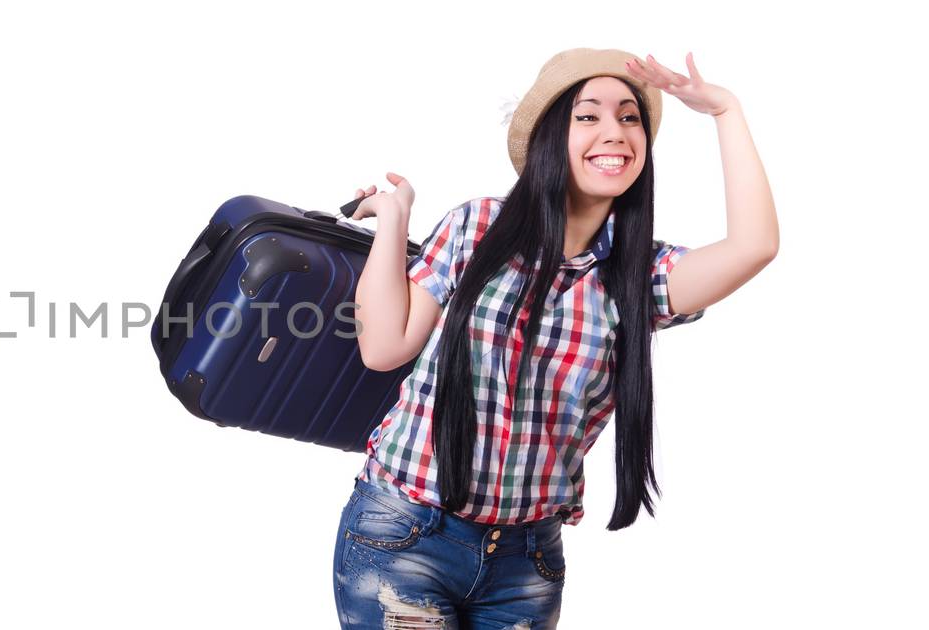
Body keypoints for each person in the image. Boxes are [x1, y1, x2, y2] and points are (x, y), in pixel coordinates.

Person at [333, 48, 778, 628]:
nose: (614, 132)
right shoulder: (478, 227)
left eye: (629, 116)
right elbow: (383, 345)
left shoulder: (641, 277)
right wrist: (393, 222)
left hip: (526, 563)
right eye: (588, 116)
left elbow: (755, 246)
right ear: (549, 136)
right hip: (405, 532)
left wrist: (725, 111)